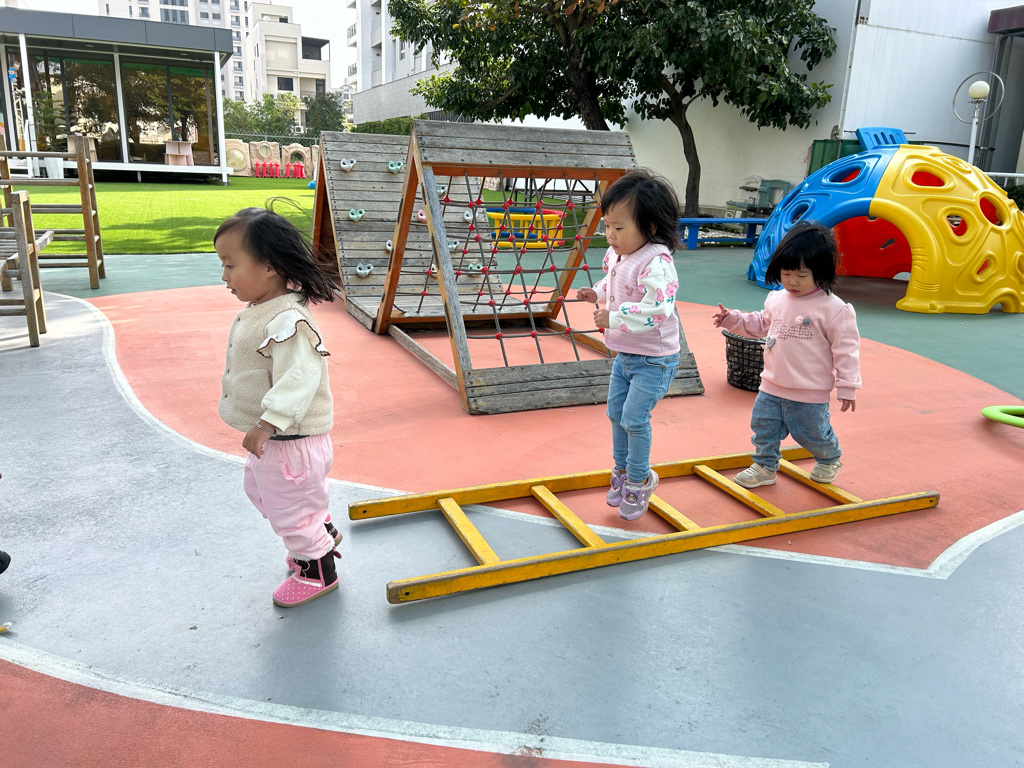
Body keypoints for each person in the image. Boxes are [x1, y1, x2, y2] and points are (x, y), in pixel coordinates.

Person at [216, 206, 343, 607]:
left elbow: (299, 380)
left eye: (230, 265)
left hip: (291, 440)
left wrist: (268, 423)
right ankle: (320, 527)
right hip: (279, 440)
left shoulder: (288, 321)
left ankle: (317, 569)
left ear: (269, 267)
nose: (224, 276)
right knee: (262, 490)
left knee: (289, 510)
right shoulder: (263, 309)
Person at [712, 220, 861, 488]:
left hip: (808, 391)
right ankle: (764, 465)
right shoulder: (777, 299)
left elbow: (846, 350)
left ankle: (829, 458)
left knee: (812, 434)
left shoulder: (834, 309)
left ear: (821, 271)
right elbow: (761, 323)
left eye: (801, 275)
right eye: (786, 273)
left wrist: (847, 385)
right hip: (771, 384)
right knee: (763, 428)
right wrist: (733, 319)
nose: (792, 281)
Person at [575, 170, 682, 520]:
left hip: (655, 359)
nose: (610, 235)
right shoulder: (618, 253)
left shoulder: (657, 262)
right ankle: (621, 472)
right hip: (626, 354)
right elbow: (614, 283)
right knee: (615, 413)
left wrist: (614, 317)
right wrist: (597, 293)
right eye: (607, 225)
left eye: (619, 227)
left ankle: (639, 479)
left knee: (634, 419)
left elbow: (658, 309)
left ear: (649, 227)